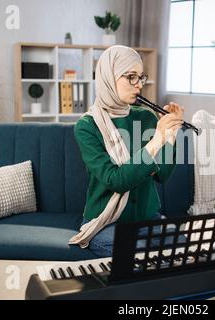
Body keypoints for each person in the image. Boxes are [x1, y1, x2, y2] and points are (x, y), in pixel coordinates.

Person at [68, 45, 185, 257]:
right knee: (133, 251)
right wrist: (157, 139)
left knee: (182, 243)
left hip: (148, 219)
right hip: (107, 222)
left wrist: (170, 137)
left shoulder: (146, 117)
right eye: (131, 77)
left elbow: (163, 175)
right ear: (109, 77)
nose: (139, 85)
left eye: (141, 77)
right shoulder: (87, 126)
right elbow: (116, 181)